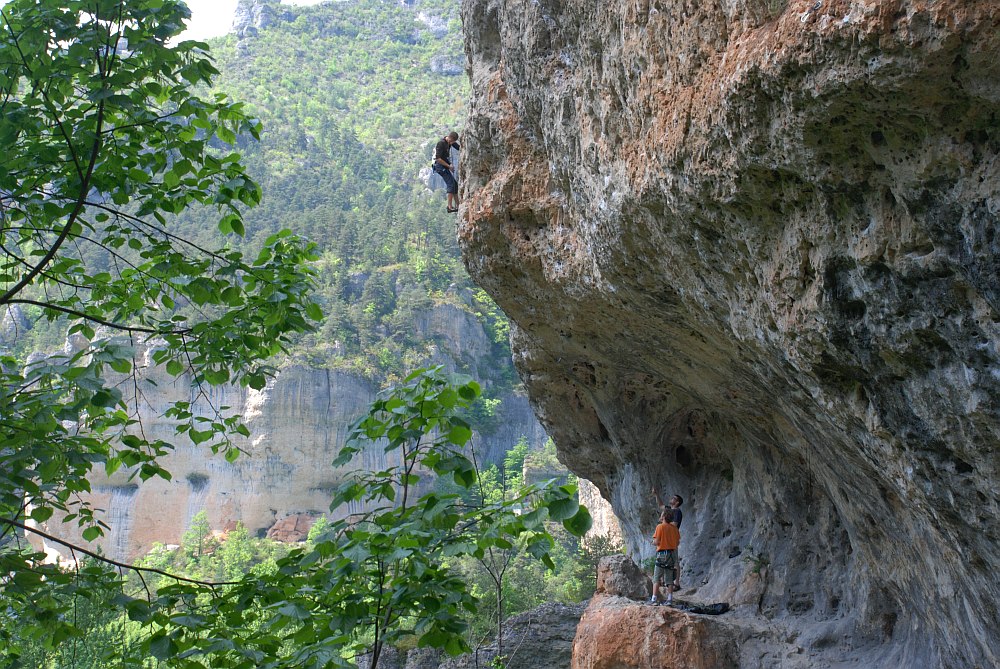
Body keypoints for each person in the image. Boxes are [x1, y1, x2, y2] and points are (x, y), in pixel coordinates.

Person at [652, 488, 684, 589]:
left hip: (671, 538)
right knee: (664, 559)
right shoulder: (669, 510)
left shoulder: (677, 512)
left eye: (674, 498)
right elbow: (661, 505)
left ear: (677, 502)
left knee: (674, 561)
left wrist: (663, 522)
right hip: (665, 537)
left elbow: (674, 524)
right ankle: (664, 581)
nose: (671, 498)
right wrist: (656, 494)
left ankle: (677, 583)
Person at [649, 509, 680, 605]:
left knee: (657, 577)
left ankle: (654, 599)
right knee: (669, 578)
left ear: (664, 517)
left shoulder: (660, 527)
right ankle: (670, 599)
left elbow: (657, 542)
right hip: (672, 555)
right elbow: (677, 542)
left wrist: (652, 542)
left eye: (662, 514)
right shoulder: (675, 528)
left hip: (662, 554)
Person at [432, 131, 461, 212]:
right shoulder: (441, 144)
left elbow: (459, 148)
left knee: (454, 184)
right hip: (440, 167)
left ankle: (458, 205)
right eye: (451, 141)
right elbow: (438, 158)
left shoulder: (450, 142)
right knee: (451, 184)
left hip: (445, 166)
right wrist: (449, 166)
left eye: (453, 142)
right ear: (449, 137)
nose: (452, 143)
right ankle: (449, 207)